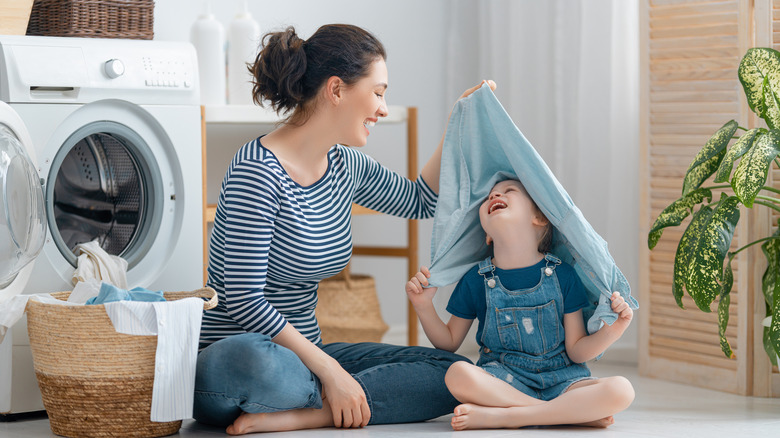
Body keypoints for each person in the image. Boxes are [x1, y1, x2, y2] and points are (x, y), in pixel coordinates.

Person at [192, 23, 496, 435]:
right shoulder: (256, 171)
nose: (384, 109)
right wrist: (331, 370)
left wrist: (456, 122)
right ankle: (336, 392)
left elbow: (421, 199)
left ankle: (309, 411)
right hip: (240, 364)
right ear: (336, 90)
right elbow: (244, 300)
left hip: (307, 358)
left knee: (455, 370)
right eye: (378, 92)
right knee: (254, 360)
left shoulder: (344, 165)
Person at [406, 178, 635, 431]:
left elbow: (577, 351)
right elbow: (448, 342)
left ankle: (510, 417)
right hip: (504, 381)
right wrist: (423, 306)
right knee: (457, 373)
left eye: (509, 191)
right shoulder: (476, 279)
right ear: (487, 236)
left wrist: (614, 330)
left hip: (563, 381)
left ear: (539, 218)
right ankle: (560, 414)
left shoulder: (564, 275)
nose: (494, 196)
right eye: (489, 197)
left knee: (622, 390)